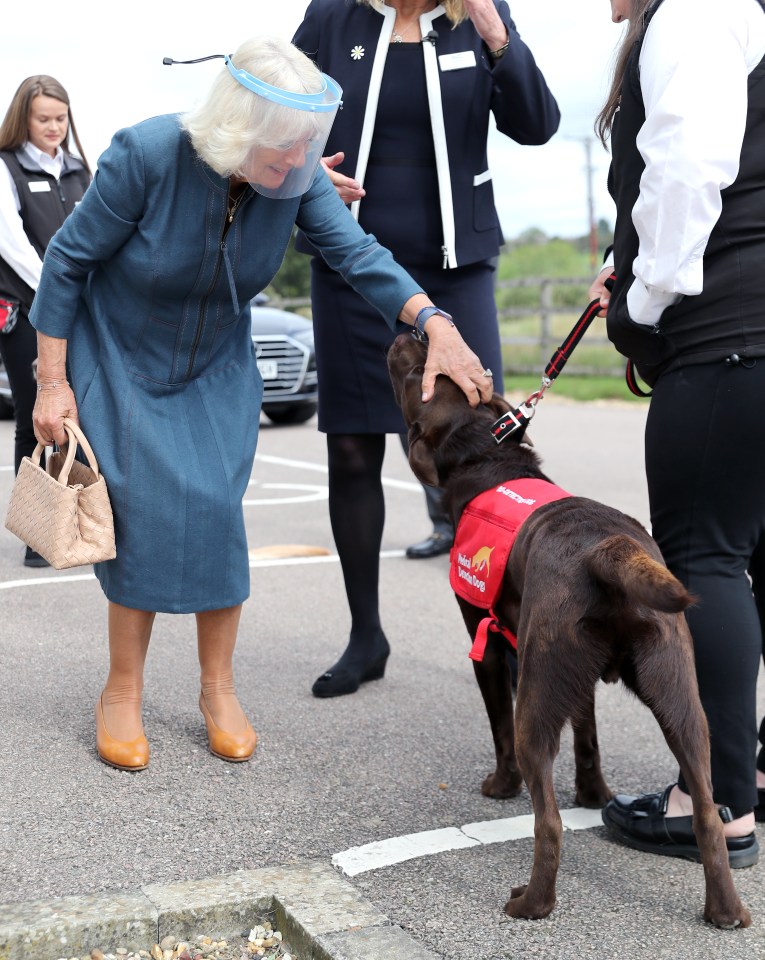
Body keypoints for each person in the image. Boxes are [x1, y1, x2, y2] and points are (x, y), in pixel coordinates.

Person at [29, 35, 495, 772]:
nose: (291, 169)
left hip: (216, 360)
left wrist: (433, 321)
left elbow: (356, 253)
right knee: (143, 513)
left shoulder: (296, 171)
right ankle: (122, 689)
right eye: (277, 154)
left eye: (301, 154)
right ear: (232, 134)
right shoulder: (147, 154)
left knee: (215, 511)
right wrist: (52, 381)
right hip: (122, 352)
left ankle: (218, 688)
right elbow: (68, 262)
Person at [292, 0, 560, 697]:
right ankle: (365, 635)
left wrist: (498, 34)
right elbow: (276, 113)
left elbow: (536, 126)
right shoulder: (332, 17)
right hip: (352, 261)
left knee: (481, 452)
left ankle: (506, 629)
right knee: (351, 449)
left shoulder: (480, 16)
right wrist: (303, 172)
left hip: (456, 265)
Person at [592, 0, 765, 867]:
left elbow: (689, 165)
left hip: (729, 336)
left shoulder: (694, 10)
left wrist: (645, 297)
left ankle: (721, 801)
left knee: (704, 556)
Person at [0, 75, 91, 568]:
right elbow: (12, 245)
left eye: (60, 118)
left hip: (84, 313)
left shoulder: (80, 170)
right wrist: (61, 293)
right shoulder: (5, 167)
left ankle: (77, 518)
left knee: (83, 415)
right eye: (43, 119)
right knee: (36, 418)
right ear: (23, 119)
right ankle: (39, 531)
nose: (54, 127)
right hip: (27, 311)